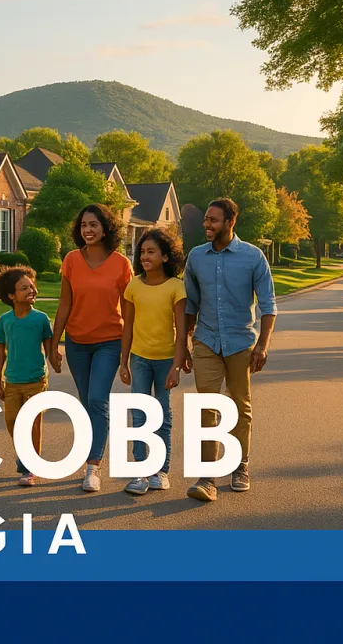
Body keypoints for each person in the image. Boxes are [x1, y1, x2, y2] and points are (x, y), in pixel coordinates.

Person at [182, 198, 277, 502]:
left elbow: (268, 305)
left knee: (239, 406)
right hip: (206, 341)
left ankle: (240, 465)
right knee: (207, 407)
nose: (207, 225)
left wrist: (262, 345)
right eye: (206, 220)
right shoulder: (196, 257)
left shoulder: (253, 257)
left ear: (230, 221)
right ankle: (208, 476)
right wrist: (184, 341)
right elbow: (190, 304)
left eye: (213, 220)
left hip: (240, 343)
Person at [51, 204, 133, 493]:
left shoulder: (121, 264)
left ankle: (93, 467)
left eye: (94, 224)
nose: (88, 229)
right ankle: (91, 454)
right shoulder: (72, 260)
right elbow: (64, 304)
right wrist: (54, 343)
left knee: (98, 399)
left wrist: (127, 353)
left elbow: (129, 309)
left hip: (109, 341)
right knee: (87, 402)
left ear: (105, 228)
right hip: (77, 343)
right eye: (84, 225)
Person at [118, 227, 188, 495]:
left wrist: (176, 366)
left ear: (166, 257)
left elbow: (181, 332)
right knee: (139, 415)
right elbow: (128, 327)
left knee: (163, 416)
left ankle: (161, 471)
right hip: (139, 359)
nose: (145, 256)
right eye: (143, 252)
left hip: (165, 360)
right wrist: (124, 363)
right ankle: (140, 473)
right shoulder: (133, 285)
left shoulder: (175, 287)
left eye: (152, 252)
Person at [0, 265, 55, 487]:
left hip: (36, 380)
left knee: (34, 423)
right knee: (12, 422)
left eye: (32, 286)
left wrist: (54, 359)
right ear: (11, 296)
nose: (32, 290)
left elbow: (49, 345)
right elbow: (1, 349)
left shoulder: (41, 319)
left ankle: (31, 467)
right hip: (12, 381)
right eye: (24, 288)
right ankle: (24, 454)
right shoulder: (5, 321)